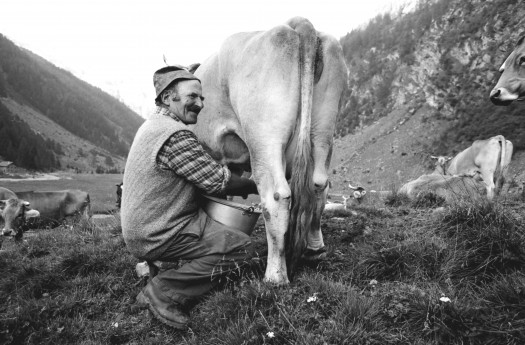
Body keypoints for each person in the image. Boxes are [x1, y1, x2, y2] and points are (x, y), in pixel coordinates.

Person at [121, 65, 258, 330]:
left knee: (220, 230)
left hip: (152, 222)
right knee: (241, 247)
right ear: (167, 97)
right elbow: (218, 181)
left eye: (202, 98)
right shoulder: (175, 135)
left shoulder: (155, 125)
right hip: (160, 230)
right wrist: (257, 185)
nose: (200, 103)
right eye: (192, 97)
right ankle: (162, 292)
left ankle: (165, 274)